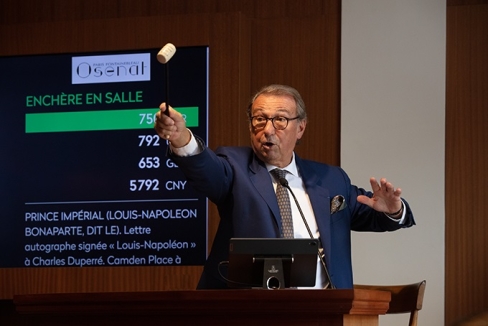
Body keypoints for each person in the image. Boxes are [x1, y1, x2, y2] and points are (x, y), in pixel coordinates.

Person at [154, 84, 415, 289]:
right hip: (251, 310)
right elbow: (207, 170)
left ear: (300, 128)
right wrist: (182, 138)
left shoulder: (332, 179)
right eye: (259, 119)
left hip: (323, 310)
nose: (268, 129)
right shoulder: (233, 166)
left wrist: (393, 210)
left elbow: (375, 216)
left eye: (280, 120)